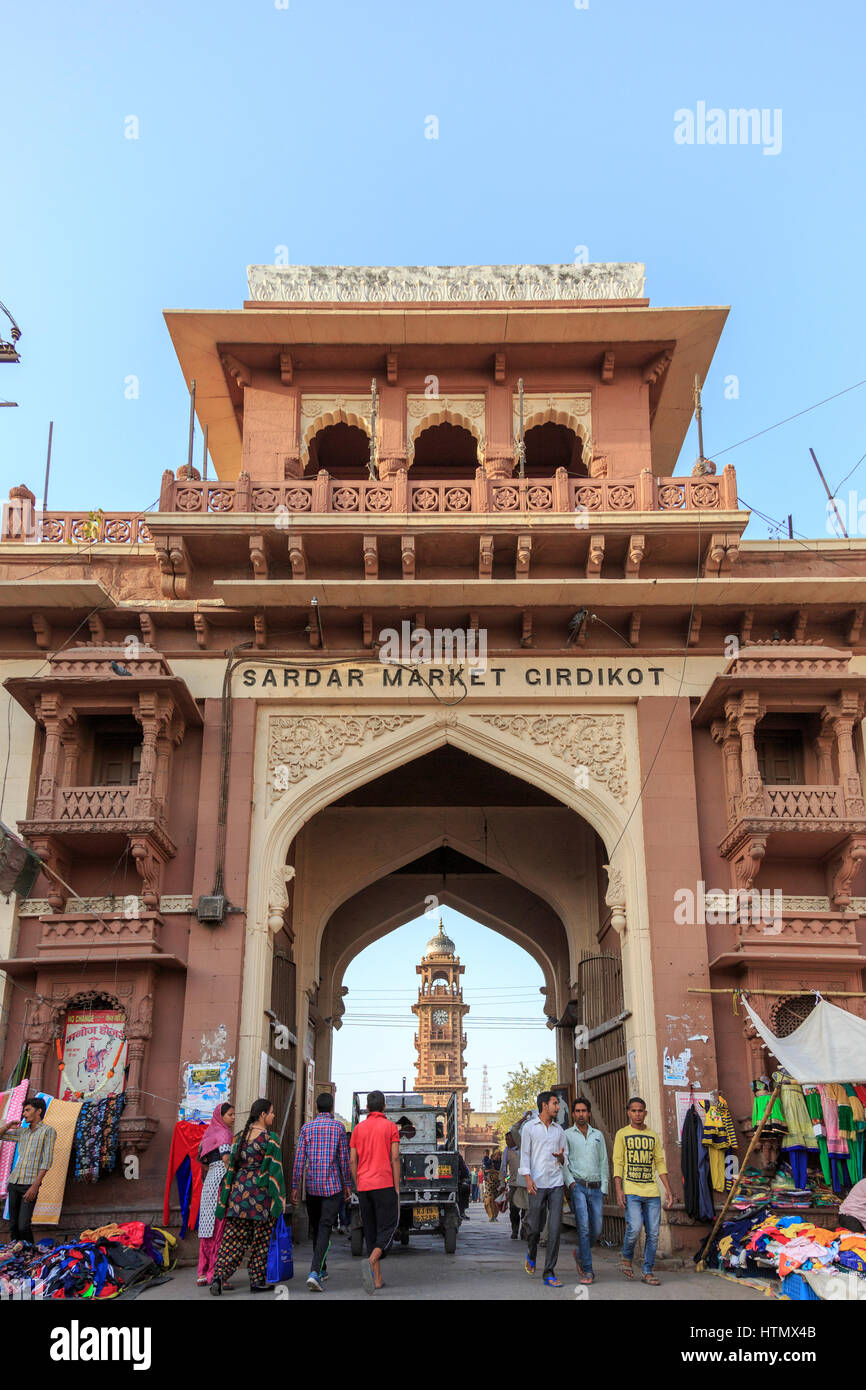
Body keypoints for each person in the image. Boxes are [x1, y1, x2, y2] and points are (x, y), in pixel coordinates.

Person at [210, 1097, 286, 1296]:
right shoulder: (271, 1139)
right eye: (271, 1112)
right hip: (261, 1197)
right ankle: (257, 1281)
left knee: (232, 1239)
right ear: (262, 1114)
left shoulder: (239, 1136)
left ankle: (218, 1277)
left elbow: (232, 1168)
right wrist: (281, 1199)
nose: (273, 1115)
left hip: (238, 1196)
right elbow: (275, 1171)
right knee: (261, 1240)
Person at [291, 1091, 352, 1293]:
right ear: (332, 1108)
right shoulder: (339, 1128)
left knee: (318, 1228)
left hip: (313, 1187)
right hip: (333, 1187)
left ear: (316, 1107)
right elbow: (344, 1160)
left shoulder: (306, 1128)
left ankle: (320, 1268)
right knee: (325, 1227)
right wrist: (348, 1185)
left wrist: (294, 1187)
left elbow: (299, 1159)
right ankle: (315, 1271)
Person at [613, 1096, 673, 1286]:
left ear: (645, 1113)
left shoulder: (653, 1135)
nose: (637, 1114)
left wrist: (668, 1190)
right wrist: (619, 1190)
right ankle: (626, 1257)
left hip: (652, 1191)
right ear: (628, 1112)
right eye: (634, 1110)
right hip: (631, 1190)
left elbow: (659, 1163)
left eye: (640, 1111)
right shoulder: (622, 1134)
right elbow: (618, 1162)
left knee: (653, 1233)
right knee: (635, 1228)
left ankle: (647, 1271)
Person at [349, 1089, 400, 1293]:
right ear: (384, 1107)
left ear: (368, 1108)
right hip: (385, 1184)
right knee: (389, 1227)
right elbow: (395, 1158)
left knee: (370, 1231)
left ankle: (377, 1279)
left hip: (364, 1187)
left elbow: (353, 1160)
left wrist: (358, 1181)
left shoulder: (358, 1129)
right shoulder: (390, 1127)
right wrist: (396, 1187)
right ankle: (371, 1260)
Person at [519, 1090, 568, 1287]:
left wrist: (561, 1157)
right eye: (555, 1103)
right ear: (544, 1105)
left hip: (556, 1184)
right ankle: (531, 1254)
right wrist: (528, 1179)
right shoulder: (530, 1128)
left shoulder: (559, 1131)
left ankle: (549, 1272)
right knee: (534, 1227)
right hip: (537, 1184)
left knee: (555, 1229)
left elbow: (566, 1159)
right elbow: (525, 1155)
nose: (558, 1107)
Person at [0, 1095, 56, 1247]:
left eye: (27, 1110)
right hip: (14, 1182)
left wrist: (35, 1186)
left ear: (38, 1111)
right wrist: (9, 1125)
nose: (24, 1114)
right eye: (24, 1111)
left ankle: (31, 1254)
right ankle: (16, 1258)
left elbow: (47, 1160)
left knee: (23, 1225)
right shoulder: (23, 1132)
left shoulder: (48, 1131)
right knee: (13, 1226)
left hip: (29, 1185)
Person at [563, 1096, 608, 1285]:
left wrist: (604, 1186)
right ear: (573, 1114)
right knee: (583, 1228)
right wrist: (571, 1183)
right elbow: (563, 1161)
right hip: (578, 1186)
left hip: (596, 1187)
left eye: (584, 1111)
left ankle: (580, 1253)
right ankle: (588, 1271)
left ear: (589, 1113)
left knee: (596, 1229)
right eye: (577, 1111)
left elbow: (603, 1160)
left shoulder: (597, 1135)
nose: (581, 1114)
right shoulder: (567, 1135)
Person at [196, 1101, 235, 1286]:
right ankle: (215, 1274)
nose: (233, 1118)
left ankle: (202, 1273)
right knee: (220, 1229)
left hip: (209, 1182)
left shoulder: (208, 1134)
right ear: (222, 1117)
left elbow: (202, 1161)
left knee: (206, 1228)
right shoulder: (225, 1133)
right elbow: (227, 1159)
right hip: (221, 1182)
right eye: (230, 1115)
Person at [501, 1130, 527, 1239]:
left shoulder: (524, 1149)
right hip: (513, 1185)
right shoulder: (507, 1151)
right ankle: (515, 1229)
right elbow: (503, 1168)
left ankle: (524, 1230)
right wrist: (502, 1184)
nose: (507, 1141)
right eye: (506, 1139)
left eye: (509, 1139)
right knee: (514, 1209)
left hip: (525, 1184)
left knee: (526, 1209)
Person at [484, 1145, 503, 1220]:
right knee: (489, 1199)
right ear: (494, 1155)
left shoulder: (501, 1163)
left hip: (498, 1183)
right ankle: (491, 1215)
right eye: (498, 1155)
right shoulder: (489, 1161)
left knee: (497, 1199)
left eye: (500, 1155)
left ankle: (495, 1215)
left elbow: (504, 1173)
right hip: (489, 1182)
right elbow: (485, 1170)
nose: (499, 1157)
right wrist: (494, 1171)